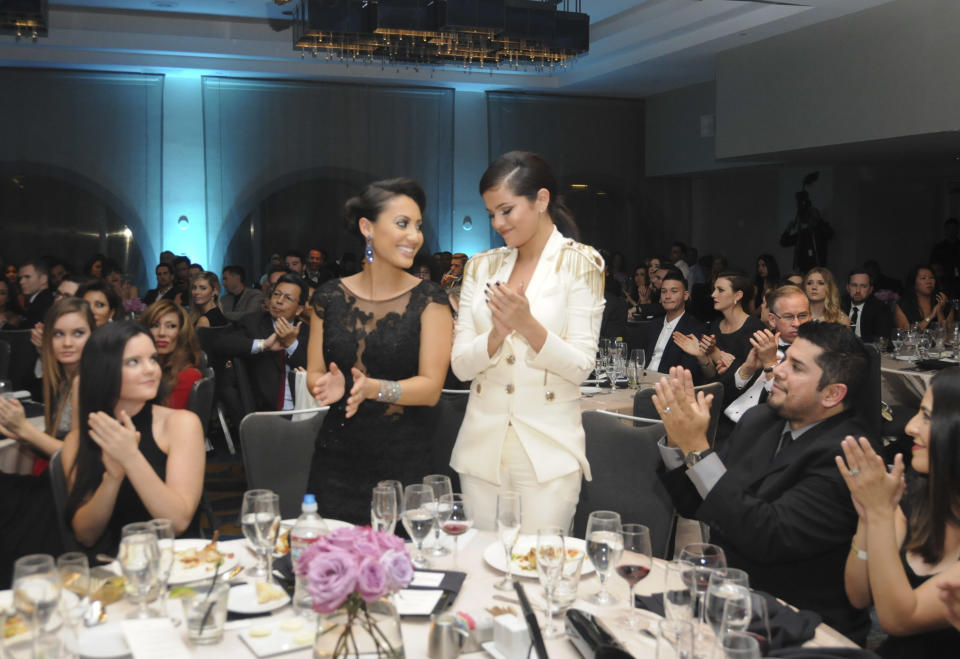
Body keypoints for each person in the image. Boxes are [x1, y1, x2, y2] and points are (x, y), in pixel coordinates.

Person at [653, 322, 873, 642]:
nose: (778, 370)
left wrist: (699, 451)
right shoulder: (760, 421)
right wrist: (676, 441)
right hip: (728, 604)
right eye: (784, 359)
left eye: (795, 367)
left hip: (800, 628)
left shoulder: (849, 455)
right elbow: (696, 504)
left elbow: (767, 536)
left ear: (832, 394)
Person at [450, 151, 604, 534]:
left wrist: (527, 325)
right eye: (491, 214)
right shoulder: (481, 267)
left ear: (541, 200)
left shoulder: (580, 263)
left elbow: (582, 365)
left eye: (506, 210)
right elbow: (460, 366)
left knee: (542, 571)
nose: (498, 223)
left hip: (547, 446)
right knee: (482, 566)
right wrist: (498, 333)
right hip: (482, 443)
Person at [307, 178, 453, 525]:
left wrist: (374, 388)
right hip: (336, 462)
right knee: (335, 568)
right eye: (402, 223)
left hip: (404, 465)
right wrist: (326, 384)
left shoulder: (430, 300)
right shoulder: (328, 297)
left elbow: (432, 389)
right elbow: (314, 372)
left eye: (417, 226)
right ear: (367, 228)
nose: (414, 236)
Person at [838, 367, 960, 657]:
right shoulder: (918, 497)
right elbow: (858, 595)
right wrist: (868, 520)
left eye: (928, 417)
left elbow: (899, 619)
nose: (910, 427)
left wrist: (879, 512)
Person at [62, 321, 205, 552]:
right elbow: (85, 535)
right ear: (103, 370)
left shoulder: (180, 424)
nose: (150, 369)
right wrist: (113, 478)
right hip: (114, 571)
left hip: (179, 565)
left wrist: (131, 458)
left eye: (152, 359)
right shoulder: (78, 440)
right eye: (133, 362)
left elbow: (178, 522)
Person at [0, 297, 95, 465]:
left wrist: (24, 429)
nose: (67, 343)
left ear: (93, 336)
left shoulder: (85, 381)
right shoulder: (64, 378)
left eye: (78, 333)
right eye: (58, 334)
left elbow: (77, 458)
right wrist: (21, 434)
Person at [218, 273, 310, 413]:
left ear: (299, 309)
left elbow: (313, 369)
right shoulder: (253, 322)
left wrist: (291, 345)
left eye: (288, 298)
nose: (279, 301)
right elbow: (222, 343)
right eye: (276, 294)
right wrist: (263, 345)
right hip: (262, 411)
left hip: (302, 410)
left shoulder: (308, 332)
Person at [699, 270, 765, 385]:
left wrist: (715, 352)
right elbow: (711, 376)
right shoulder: (714, 326)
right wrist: (700, 355)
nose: (713, 294)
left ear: (738, 295)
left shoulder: (755, 328)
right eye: (714, 289)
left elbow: (753, 378)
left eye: (720, 290)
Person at [140, 301, 203, 410]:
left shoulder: (188, 375)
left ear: (181, 332)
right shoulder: (142, 368)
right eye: (155, 325)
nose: (162, 333)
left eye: (171, 326)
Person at [647, 270, 706, 381]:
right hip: (642, 380)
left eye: (674, 291)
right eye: (664, 292)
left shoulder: (695, 328)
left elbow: (689, 371)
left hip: (668, 386)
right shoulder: (654, 324)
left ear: (685, 295)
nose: (667, 296)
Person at [894, 264, 955, 331]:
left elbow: (948, 336)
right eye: (923, 278)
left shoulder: (944, 304)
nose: (929, 282)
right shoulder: (903, 306)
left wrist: (940, 313)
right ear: (914, 283)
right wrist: (931, 316)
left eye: (932, 277)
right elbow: (907, 335)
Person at [842, 268, 894, 343]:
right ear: (847, 288)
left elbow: (882, 338)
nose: (858, 291)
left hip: (868, 352)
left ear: (870, 290)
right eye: (854, 285)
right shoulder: (838, 305)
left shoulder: (881, 308)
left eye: (863, 286)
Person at [19, 259, 54, 328]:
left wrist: (3, 324)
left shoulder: (44, 303)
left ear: (43, 279)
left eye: (27, 277)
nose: (21, 282)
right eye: (20, 278)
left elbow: (28, 334)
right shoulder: (40, 300)